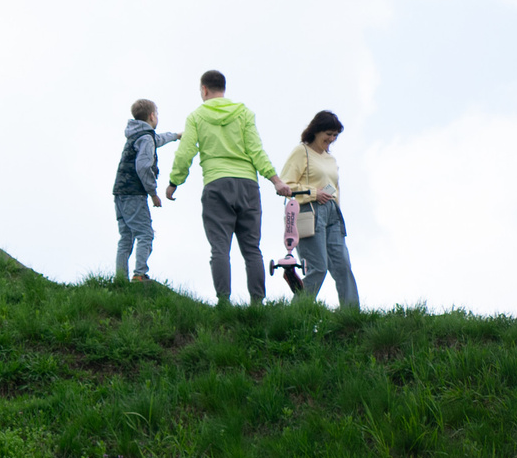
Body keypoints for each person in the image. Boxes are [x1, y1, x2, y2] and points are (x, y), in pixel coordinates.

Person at [164, 70, 288, 306]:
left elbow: (185, 152)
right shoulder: (243, 113)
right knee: (252, 249)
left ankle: (224, 302)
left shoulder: (196, 117)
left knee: (220, 248)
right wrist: (276, 180)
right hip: (248, 186)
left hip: (216, 185)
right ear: (224, 88)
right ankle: (257, 304)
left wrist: (174, 182)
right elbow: (256, 150)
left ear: (204, 90)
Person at [279, 110, 359, 310]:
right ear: (316, 131)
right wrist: (314, 193)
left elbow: (335, 188)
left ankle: (352, 315)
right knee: (318, 268)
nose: (331, 139)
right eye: (328, 134)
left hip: (332, 214)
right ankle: (297, 311)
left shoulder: (330, 159)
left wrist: (336, 211)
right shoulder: (302, 152)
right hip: (310, 211)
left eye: (335, 136)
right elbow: (285, 186)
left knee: (343, 265)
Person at [113, 99, 181, 283]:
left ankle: (120, 279)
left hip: (119, 192)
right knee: (145, 233)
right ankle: (139, 275)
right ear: (152, 116)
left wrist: (176, 135)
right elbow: (143, 167)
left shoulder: (137, 134)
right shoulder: (146, 138)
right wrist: (153, 193)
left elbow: (158, 139)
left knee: (126, 236)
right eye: (157, 114)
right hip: (134, 193)